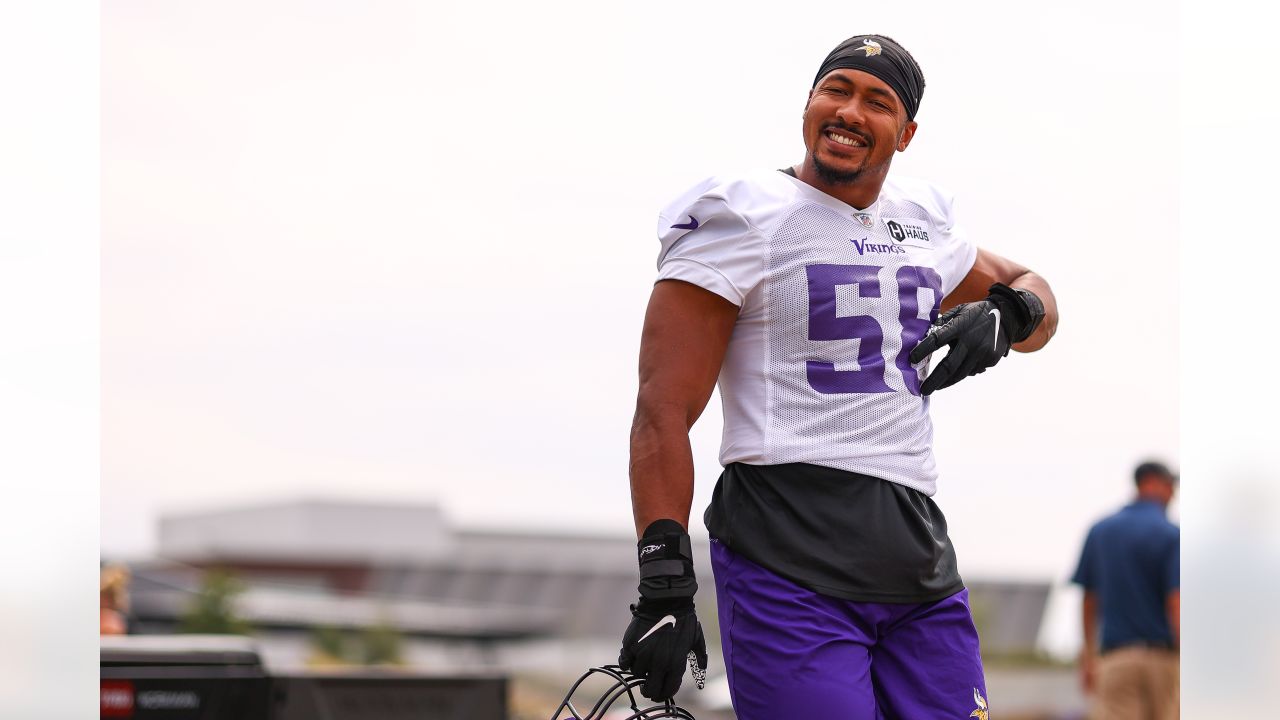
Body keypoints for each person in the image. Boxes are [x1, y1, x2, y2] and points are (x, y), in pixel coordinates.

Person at [616, 33, 1058, 719]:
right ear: (809, 104)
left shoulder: (920, 221)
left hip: (915, 552)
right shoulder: (744, 213)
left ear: (906, 132)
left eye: (877, 101)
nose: (850, 111)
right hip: (785, 544)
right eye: (837, 90)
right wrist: (664, 579)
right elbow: (662, 408)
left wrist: (1011, 308)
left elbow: (1038, 297)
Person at [1073, 461, 1180, 719]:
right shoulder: (1171, 534)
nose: (1173, 494)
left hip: (1115, 659)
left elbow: (1089, 600)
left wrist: (1088, 657)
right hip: (1162, 659)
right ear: (1153, 483)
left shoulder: (1101, 531)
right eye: (1170, 486)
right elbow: (1176, 600)